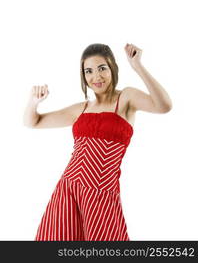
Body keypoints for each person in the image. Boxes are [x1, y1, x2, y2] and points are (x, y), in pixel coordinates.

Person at [23, 43, 172, 241]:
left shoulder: (126, 98)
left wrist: (137, 66)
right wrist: (33, 101)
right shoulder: (82, 108)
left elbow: (164, 106)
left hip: (101, 193)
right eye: (89, 71)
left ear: (113, 68)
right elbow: (33, 122)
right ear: (83, 76)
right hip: (69, 190)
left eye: (102, 68)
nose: (96, 77)